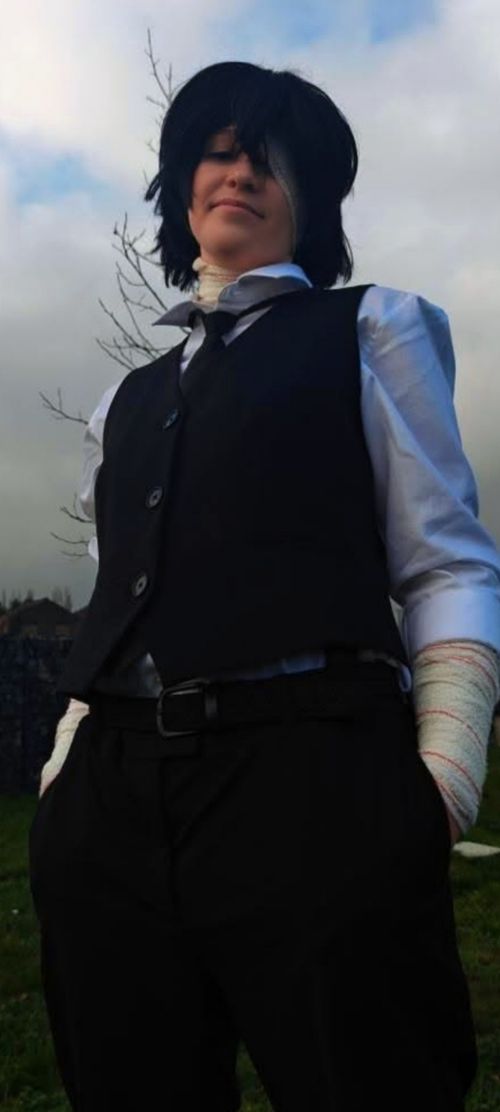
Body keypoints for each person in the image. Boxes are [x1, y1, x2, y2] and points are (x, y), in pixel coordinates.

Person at [29, 61, 500, 1112]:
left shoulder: (373, 327)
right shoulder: (124, 398)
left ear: (309, 200)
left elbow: (446, 561)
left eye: (270, 161)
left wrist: (441, 784)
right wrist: (63, 777)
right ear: (182, 185)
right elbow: (120, 598)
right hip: (109, 801)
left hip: (309, 779)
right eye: (217, 152)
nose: (239, 173)